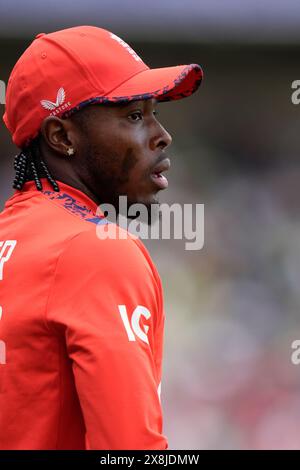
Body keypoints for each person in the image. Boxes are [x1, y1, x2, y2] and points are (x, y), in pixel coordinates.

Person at [0, 25, 202, 450]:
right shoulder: (97, 250)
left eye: (154, 111)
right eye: (133, 115)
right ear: (61, 137)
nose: (162, 135)